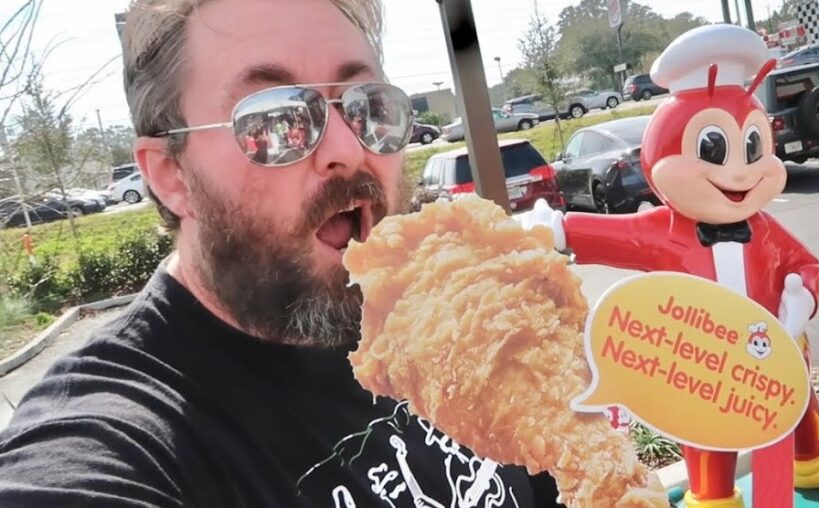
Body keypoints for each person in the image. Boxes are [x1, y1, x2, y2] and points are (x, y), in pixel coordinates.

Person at [0, 1, 565, 507]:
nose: (347, 148)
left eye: (365, 104)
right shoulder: (123, 435)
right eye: (275, 120)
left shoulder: (452, 320)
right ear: (171, 175)